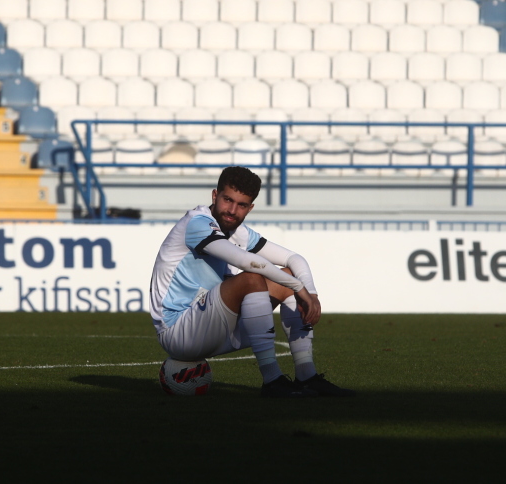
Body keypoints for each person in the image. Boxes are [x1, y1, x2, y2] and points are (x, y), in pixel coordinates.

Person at [149, 166, 354, 398]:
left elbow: (294, 259)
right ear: (214, 196)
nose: (232, 210)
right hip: (178, 332)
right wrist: (299, 289)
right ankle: (272, 380)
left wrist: (311, 293)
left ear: (251, 207)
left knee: (288, 274)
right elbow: (246, 262)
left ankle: (308, 376)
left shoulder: (238, 231)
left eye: (242, 205)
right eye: (227, 200)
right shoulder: (196, 223)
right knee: (252, 278)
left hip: (214, 328)